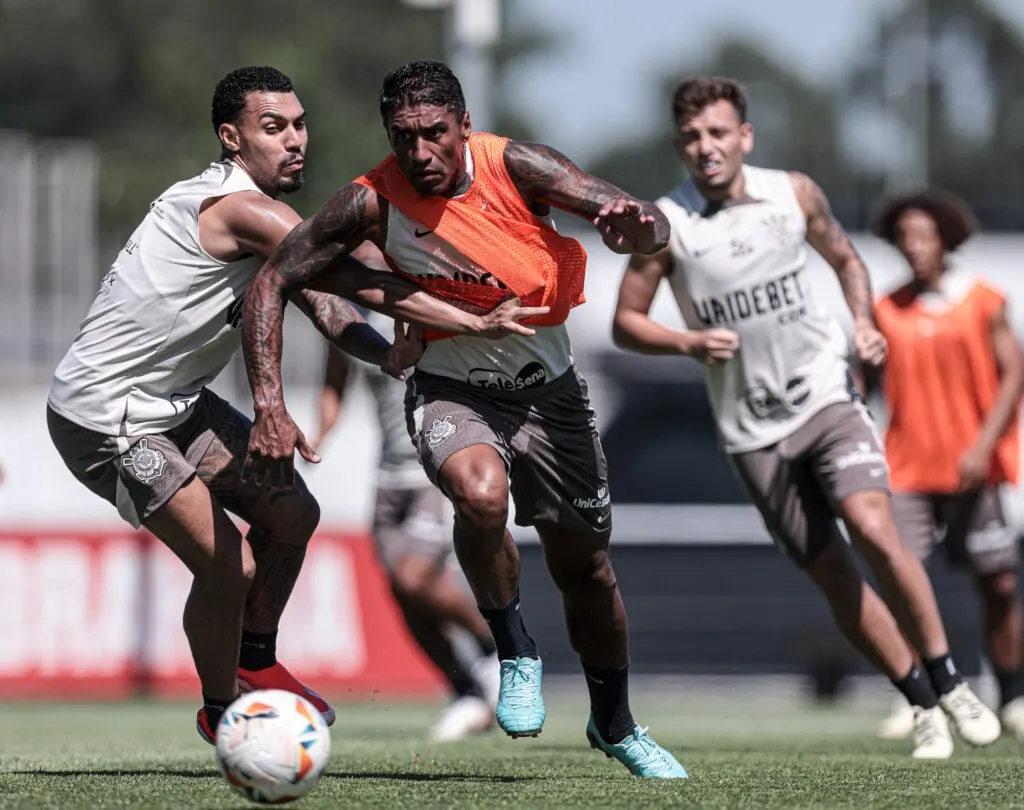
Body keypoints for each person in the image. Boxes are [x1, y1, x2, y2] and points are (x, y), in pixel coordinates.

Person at [46, 66, 534, 745]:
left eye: (299, 124)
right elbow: (354, 278)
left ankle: (254, 661)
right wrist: (466, 310)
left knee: (293, 513)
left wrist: (386, 354)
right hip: (106, 415)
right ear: (231, 138)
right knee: (229, 568)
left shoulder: (271, 225)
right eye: (273, 128)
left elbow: (326, 306)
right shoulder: (241, 208)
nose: (295, 139)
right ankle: (226, 717)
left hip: (172, 405)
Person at [240, 59, 688, 778]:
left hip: (552, 396)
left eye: (434, 135)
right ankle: (512, 652)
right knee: (481, 497)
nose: (419, 154)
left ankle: (615, 723)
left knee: (589, 574)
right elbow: (273, 281)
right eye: (403, 137)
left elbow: (646, 224)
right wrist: (270, 405)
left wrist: (639, 228)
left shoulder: (522, 168)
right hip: (451, 390)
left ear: (464, 127)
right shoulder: (369, 201)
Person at [611, 75, 1000, 759]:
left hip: (825, 395)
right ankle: (919, 702)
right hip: (752, 430)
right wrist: (687, 341)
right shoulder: (665, 226)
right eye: (693, 137)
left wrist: (862, 323)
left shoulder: (792, 193)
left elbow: (847, 260)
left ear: (745, 137)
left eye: (719, 133)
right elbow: (625, 323)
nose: (707, 148)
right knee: (832, 574)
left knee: (876, 526)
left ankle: (951, 679)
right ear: (680, 144)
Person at [866, 189, 1024, 741]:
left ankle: (1012, 696)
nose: (914, 246)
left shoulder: (984, 300)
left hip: (973, 469)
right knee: (905, 584)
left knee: (999, 583)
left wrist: (984, 444)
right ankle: (920, 699)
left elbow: (1013, 374)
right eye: (904, 236)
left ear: (946, 239)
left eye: (924, 234)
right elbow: (863, 382)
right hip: (906, 470)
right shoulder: (885, 308)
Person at [313, 297, 501, 742]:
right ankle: (466, 692)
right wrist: (320, 431)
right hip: (387, 474)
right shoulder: (346, 314)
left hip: (432, 466)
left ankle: (498, 654)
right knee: (402, 593)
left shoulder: (424, 300)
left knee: (414, 578)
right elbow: (334, 379)